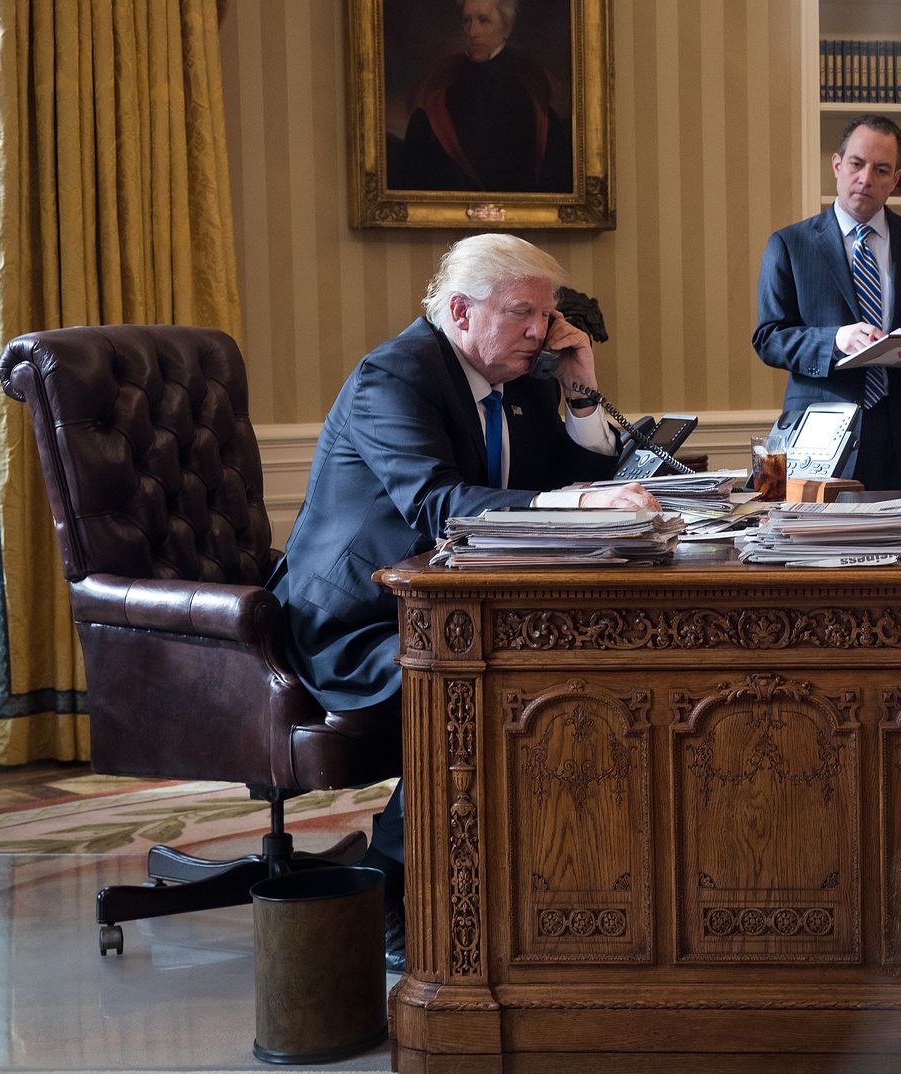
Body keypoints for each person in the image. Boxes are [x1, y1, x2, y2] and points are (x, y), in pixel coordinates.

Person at [270, 234, 657, 972]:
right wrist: (574, 501)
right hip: (355, 622)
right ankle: (389, 884)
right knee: (476, 690)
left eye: (547, 317)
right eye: (522, 314)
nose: (540, 333)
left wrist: (579, 385)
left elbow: (559, 481)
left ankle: (549, 881)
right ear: (459, 311)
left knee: (560, 676)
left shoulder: (525, 378)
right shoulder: (395, 375)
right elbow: (438, 504)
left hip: (451, 614)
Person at [753, 114, 901, 490]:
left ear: (896, 180)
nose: (866, 178)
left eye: (882, 169)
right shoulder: (791, 245)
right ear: (837, 165)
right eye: (856, 164)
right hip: (823, 436)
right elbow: (769, 338)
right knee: (821, 546)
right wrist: (835, 341)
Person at [394, 0, 574, 193]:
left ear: (507, 28)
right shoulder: (442, 80)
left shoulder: (529, 83)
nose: (472, 32)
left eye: (484, 20)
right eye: (467, 21)